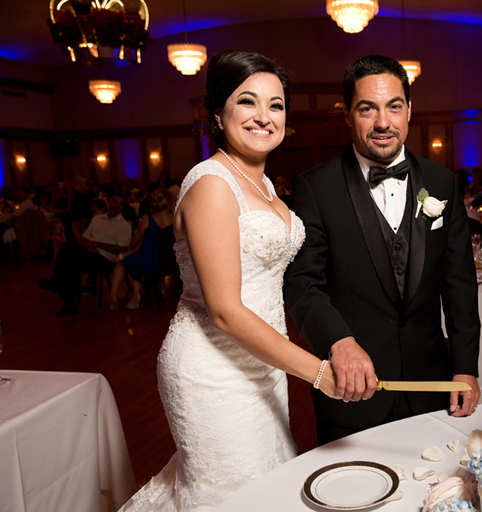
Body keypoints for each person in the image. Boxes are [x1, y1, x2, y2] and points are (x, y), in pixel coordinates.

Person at [118, 50, 341, 512]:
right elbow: (223, 310)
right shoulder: (212, 185)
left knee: (269, 486)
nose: (264, 116)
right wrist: (318, 372)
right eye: (247, 101)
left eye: (276, 105)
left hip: (261, 359)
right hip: (213, 370)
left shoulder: (265, 186)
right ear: (218, 114)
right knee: (235, 497)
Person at [284, 55, 481, 445]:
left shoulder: (443, 182)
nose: (382, 123)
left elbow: (459, 283)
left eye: (394, 106)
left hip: (433, 387)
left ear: (409, 110)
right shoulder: (315, 188)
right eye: (367, 109)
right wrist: (339, 342)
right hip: (352, 392)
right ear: (347, 115)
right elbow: (303, 285)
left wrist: (465, 367)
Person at [108, 188, 174, 310]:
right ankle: (138, 292)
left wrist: (128, 250)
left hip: (149, 262)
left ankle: (125, 294)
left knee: (124, 262)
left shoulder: (147, 219)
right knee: (132, 258)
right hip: (169, 262)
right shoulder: (175, 219)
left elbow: (135, 240)